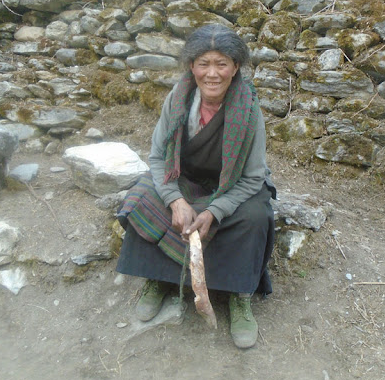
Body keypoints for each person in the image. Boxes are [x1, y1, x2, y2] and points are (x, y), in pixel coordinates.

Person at [116, 24, 276, 349]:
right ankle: (159, 279)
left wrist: (215, 211)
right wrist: (175, 200)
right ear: (192, 66)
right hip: (185, 179)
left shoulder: (248, 109)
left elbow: (253, 177)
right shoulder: (178, 99)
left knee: (256, 215)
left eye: (221, 64)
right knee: (142, 195)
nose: (212, 74)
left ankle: (239, 294)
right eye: (204, 63)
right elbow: (157, 157)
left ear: (235, 67)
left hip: (231, 185)